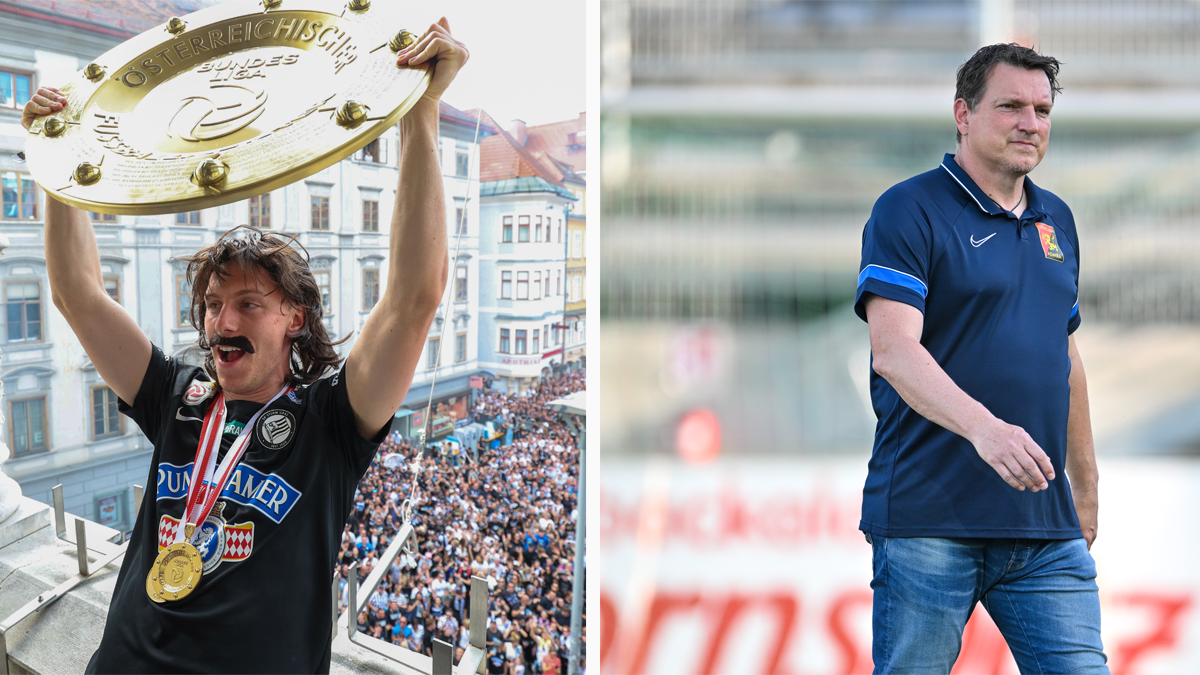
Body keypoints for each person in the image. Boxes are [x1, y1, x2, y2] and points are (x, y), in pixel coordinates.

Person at [22, 19, 469, 674]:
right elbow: (79, 295)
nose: (221, 321)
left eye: (249, 303)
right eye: (210, 304)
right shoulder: (175, 394)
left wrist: (420, 110)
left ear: (295, 316)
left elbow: (412, 297)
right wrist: (57, 157)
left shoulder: (331, 423)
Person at [854, 43, 1107, 672]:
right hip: (929, 521)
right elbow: (893, 352)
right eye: (1011, 106)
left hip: (1043, 527)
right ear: (963, 114)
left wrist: (1088, 481)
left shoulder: (1059, 221)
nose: (1031, 122)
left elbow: (1065, 356)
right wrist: (985, 430)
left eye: (1043, 109)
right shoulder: (910, 208)